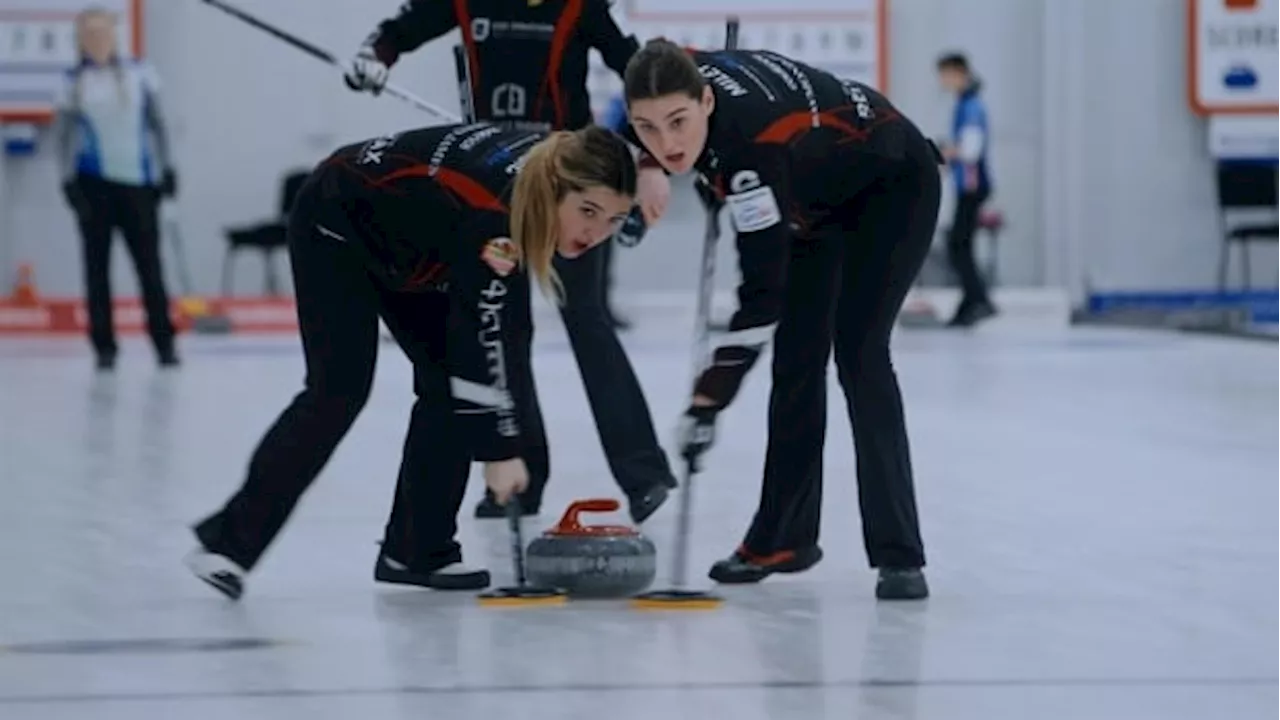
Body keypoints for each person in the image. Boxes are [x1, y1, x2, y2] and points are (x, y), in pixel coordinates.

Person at [184, 124, 639, 600]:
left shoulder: (541, 177)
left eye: (614, 219)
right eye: (588, 212)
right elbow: (479, 338)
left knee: (445, 385)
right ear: (554, 187)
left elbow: (495, 337)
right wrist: (498, 451)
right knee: (338, 390)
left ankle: (417, 549)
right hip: (336, 224)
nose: (596, 234)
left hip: (414, 241)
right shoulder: (496, 217)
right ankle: (228, 544)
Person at [622, 40, 941, 601]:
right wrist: (643, 163)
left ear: (706, 101)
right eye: (647, 129)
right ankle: (783, 539)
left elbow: (762, 296)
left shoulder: (753, 154)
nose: (669, 144)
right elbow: (653, 70)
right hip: (814, 195)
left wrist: (708, 399)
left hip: (892, 183)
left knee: (859, 354)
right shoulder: (679, 70)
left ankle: (900, 553)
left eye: (678, 123)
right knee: (797, 359)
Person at [342, 0, 678, 524]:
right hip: (497, 185)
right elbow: (401, 30)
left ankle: (645, 475)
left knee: (587, 321)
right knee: (503, 327)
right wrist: (374, 57)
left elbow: (639, 70)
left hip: (573, 188)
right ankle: (522, 479)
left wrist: (652, 160)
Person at [54, 6, 179, 370]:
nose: (97, 39)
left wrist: (167, 169)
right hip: (93, 187)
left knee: (150, 269)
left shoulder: (141, 73)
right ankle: (104, 348)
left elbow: (158, 125)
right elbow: (62, 139)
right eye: (89, 34)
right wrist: (67, 183)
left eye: (102, 32)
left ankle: (164, 343)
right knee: (97, 270)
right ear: (81, 40)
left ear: (114, 34)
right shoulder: (73, 82)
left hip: (138, 185)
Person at [936, 52, 996, 327]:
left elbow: (971, 150)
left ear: (959, 73)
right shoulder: (965, 103)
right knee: (960, 244)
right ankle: (973, 300)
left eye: (945, 74)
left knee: (958, 245)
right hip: (967, 185)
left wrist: (947, 152)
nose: (942, 81)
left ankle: (978, 299)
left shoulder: (971, 106)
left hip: (972, 185)